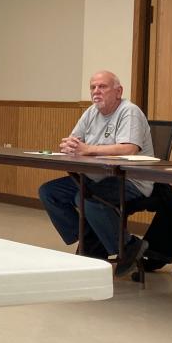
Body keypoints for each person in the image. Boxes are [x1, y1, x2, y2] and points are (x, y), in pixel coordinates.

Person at [37, 70, 153, 278]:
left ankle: (129, 245)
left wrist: (88, 149)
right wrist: (69, 145)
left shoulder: (129, 111)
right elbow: (74, 141)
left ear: (118, 91)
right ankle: (90, 237)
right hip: (96, 176)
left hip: (130, 179)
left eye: (102, 87)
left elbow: (129, 148)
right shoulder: (91, 112)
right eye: (93, 87)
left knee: (87, 199)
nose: (96, 92)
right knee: (49, 192)